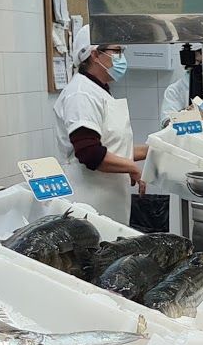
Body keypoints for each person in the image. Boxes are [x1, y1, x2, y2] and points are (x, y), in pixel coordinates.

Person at [52, 42, 148, 223]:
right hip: (88, 203)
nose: (122, 58)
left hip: (108, 202)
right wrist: (132, 167)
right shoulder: (81, 94)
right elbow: (90, 153)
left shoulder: (99, 91)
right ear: (95, 55)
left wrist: (153, 150)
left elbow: (114, 147)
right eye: (117, 51)